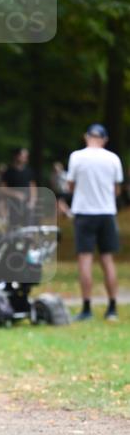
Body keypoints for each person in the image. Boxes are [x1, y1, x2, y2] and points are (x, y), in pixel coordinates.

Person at [66, 123, 124, 322]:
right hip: (107, 212)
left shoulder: (76, 157)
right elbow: (117, 190)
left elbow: (70, 186)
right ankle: (112, 307)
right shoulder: (113, 159)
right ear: (105, 139)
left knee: (85, 259)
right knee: (107, 259)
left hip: (84, 213)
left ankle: (87, 308)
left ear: (86, 136)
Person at [0, 148, 37, 228]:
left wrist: (33, 200)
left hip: (27, 204)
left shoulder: (29, 171)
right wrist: (15, 194)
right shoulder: (8, 172)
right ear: (17, 156)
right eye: (24, 156)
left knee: (29, 226)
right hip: (12, 204)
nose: (26, 158)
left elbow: (33, 187)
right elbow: (2, 189)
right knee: (13, 227)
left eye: (26, 156)